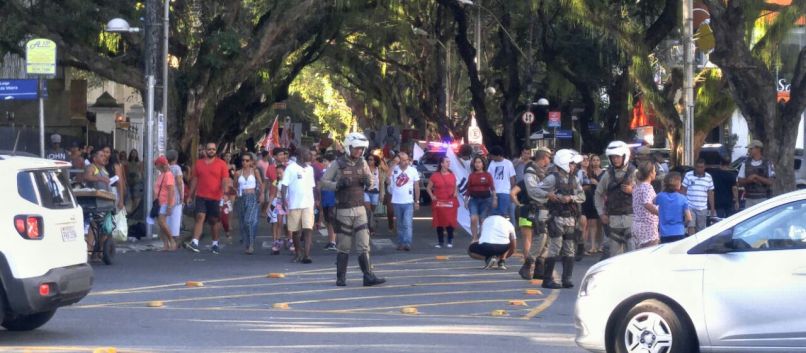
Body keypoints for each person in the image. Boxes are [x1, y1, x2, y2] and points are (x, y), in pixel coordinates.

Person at [320, 132, 386, 287]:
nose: (359, 151)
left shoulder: (363, 163)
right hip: (343, 209)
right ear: (349, 147)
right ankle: (341, 278)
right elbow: (323, 182)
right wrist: (337, 185)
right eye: (356, 148)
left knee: (364, 244)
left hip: (360, 208)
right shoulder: (338, 164)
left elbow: (371, 182)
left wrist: (367, 182)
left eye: (361, 149)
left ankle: (368, 276)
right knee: (344, 245)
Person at [532, 149, 585, 289]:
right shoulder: (552, 178)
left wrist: (571, 198)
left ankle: (566, 279)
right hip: (556, 217)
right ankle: (547, 279)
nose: (574, 166)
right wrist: (549, 195)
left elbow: (582, 196)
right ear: (564, 163)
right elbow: (536, 190)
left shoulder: (574, 179)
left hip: (570, 218)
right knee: (555, 248)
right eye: (571, 163)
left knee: (569, 249)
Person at [186, 142, 231, 254]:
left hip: (215, 197)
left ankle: (215, 244)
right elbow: (195, 180)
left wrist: (225, 193)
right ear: (205, 150)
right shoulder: (198, 164)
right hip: (201, 196)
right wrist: (190, 195)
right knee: (200, 217)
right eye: (209, 149)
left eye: (213, 149)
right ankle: (195, 242)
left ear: (216, 151)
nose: (211, 151)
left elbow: (225, 180)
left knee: (214, 220)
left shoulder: (222, 164)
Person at [595, 141, 637, 259]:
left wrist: (632, 191)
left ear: (624, 156)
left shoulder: (635, 173)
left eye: (617, 157)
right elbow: (598, 194)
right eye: (613, 157)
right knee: (614, 258)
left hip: (631, 218)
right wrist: (601, 213)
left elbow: (646, 195)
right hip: (613, 220)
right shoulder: (607, 175)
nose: (615, 160)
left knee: (633, 255)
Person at [279, 147, 316, 263]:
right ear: (300, 155)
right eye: (307, 153)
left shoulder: (310, 169)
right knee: (295, 231)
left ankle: (307, 255)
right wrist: (284, 200)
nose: (310, 155)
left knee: (308, 229)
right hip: (294, 204)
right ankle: (298, 252)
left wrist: (317, 201)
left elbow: (313, 186)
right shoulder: (291, 168)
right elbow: (284, 185)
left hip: (308, 203)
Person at [522, 149, 552, 280]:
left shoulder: (544, 172)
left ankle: (540, 267)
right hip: (538, 207)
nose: (549, 161)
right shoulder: (530, 172)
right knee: (541, 236)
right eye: (549, 158)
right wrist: (547, 194)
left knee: (547, 240)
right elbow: (533, 190)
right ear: (544, 158)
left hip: (548, 208)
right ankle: (527, 265)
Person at [389, 151, 420, 251]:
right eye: (403, 160)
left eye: (407, 160)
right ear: (399, 161)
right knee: (399, 224)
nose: (406, 162)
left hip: (408, 202)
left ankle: (407, 243)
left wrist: (417, 201)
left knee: (407, 223)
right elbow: (387, 179)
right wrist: (393, 164)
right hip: (397, 202)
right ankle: (400, 243)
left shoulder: (413, 170)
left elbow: (416, 186)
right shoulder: (395, 169)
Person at [234, 152, 264, 255]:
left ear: (251, 161)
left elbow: (260, 183)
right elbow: (235, 185)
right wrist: (236, 193)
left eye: (247, 160)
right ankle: (248, 242)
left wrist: (261, 194)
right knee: (243, 223)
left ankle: (251, 245)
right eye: (243, 160)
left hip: (252, 197)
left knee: (248, 221)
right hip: (242, 198)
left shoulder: (254, 171)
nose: (245, 162)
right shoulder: (238, 173)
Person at [427, 156, 459, 248]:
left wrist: (455, 192)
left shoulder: (452, 174)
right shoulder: (435, 175)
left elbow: (455, 186)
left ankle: (450, 240)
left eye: (449, 162)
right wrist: (432, 196)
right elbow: (429, 188)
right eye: (447, 162)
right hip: (439, 201)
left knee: (450, 221)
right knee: (439, 222)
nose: (449, 163)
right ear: (441, 164)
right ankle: (440, 241)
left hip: (450, 201)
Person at [464, 156, 496, 242]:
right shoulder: (471, 175)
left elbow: (492, 188)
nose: (477, 164)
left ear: (483, 164)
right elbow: (468, 189)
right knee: (473, 219)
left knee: (483, 220)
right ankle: (474, 238)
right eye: (476, 162)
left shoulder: (487, 175)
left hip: (486, 200)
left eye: (479, 162)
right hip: (473, 200)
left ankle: (482, 238)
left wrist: (494, 198)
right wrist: (466, 200)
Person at [655, 172, 692, 244]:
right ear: (678, 185)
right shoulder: (683, 198)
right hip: (679, 231)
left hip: (665, 233)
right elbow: (689, 218)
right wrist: (683, 225)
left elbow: (653, 201)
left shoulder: (661, 196)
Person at [682, 159, 715, 235]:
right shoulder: (688, 175)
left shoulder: (708, 177)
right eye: (698, 167)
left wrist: (712, 208)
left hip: (702, 207)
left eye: (701, 167)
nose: (699, 169)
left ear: (704, 167)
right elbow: (683, 191)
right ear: (695, 167)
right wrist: (683, 206)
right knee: (691, 225)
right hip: (690, 206)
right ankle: (691, 243)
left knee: (701, 229)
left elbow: (710, 193)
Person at [737, 139, 775, 208]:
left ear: (758, 149)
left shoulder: (768, 163)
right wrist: (748, 180)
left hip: (763, 198)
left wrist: (757, 177)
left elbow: (771, 182)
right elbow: (739, 182)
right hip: (749, 198)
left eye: (751, 149)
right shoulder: (745, 163)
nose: (749, 150)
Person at [632, 161, 659, 248]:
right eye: (654, 171)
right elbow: (647, 204)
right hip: (648, 226)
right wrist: (660, 213)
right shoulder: (647, 187)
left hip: (638, 224)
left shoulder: (637, 187)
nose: (655, 173)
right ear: (650, 173)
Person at [153, 156, 177, 251]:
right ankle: (165, 244)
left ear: (160, 164)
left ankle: (172, 241)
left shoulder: (168, 175)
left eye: (157, 163)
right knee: (159, 224)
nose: (155, 165)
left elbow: (171, 190)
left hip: (165, 202)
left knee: (161, 222)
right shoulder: (162, 174)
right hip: (159, 202)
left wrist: (170, 205)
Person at [487, 146, 516, 222]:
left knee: (503, 214)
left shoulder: (508, 163)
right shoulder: (492, 163)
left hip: (505, 193)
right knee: (494, 215)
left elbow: (512, 178)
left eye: (493, 156)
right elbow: (489, 177)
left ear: (499, 155)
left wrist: (511, 191)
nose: (491, 157)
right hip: (493, 193)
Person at [583, 154, 605, 254]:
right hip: (589, 198)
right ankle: (592, 246)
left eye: (597, 160)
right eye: (593, 160)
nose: (595, 162)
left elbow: (606, 186)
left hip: (600, 198)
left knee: (600, 224)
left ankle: (600, 244)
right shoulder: (588, 172)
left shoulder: (604, 173)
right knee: (592, 223)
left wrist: (596, 183)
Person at [319, 152, 338, 251]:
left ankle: (333, 241)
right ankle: (331, 241)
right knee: (328, 221)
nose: (323, 163)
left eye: (325, 161)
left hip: (332, 198)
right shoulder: (323, 171)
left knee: (332, 220)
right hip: (325, 198)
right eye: (323, 161)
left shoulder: (335, 172)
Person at [166, 150, 185, 247]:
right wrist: (182, 196)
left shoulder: (166, 168)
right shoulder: (177, 168)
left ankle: (169, 238)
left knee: (168, 217)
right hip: (176, 196)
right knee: (176, 218)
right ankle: (174, 239)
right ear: (176, 158)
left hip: (168, 196)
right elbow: (179, 183)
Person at [269, 164, 288, 255]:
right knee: (278, 223)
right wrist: (268, 205)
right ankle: (277, 241)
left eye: (280, 173)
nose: (279, 175)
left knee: (289, 224)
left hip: (289, 203)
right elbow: (273, 194)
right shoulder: (276, 182)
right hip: (279, 202)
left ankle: (290, 240)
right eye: (277, 173)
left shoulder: (289, 181)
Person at [364, 155, 383, 236]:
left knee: (372, 211)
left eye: (371, 159)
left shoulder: (378, 169)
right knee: (368, 210)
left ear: (375, 161)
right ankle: (369, 228)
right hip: (366, 191)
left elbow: (380, 182)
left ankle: (372, 225)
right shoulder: (364, 169)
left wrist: (381, 194)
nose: (369, 161)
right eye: (368, 159)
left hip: (375, 192)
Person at [383, 153, 400, 234]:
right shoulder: (391, 168)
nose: (396, 162)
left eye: (398, 160)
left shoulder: (404, 169)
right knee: (390, 211)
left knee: (399, 212)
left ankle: (400, 227)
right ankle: (391, 225)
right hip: (390, 192)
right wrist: (393, 165)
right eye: (394, 160)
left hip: (400, 194)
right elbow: (387, 179)